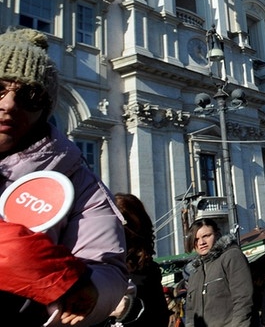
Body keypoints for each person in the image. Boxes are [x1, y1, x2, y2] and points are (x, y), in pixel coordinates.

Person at [0, 28, 129, 326]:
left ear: (44, 109)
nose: (9, 105)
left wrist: (92, 291)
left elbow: (106, 265)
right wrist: (56, 275)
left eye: (29, 95)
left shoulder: (79, 181)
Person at [109, 193, 170, 327]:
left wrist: (129, 309)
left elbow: (159, 318)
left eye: (123, 223)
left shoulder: (147, 269)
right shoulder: (94, 263)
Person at [184, 218, 255, 327]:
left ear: (217, 234)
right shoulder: (195, 271)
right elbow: (190, 312)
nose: (201, 243)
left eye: (206, 236)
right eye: (196, 239)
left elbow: (243, 300)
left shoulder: (231, 256)